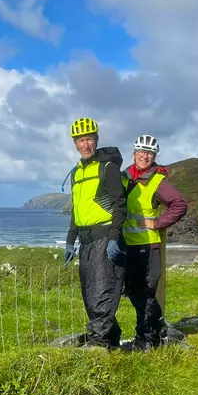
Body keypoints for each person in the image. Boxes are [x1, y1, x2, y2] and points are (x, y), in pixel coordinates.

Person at [63, 117, 127, 349]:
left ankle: (99, 346)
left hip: (104, 237)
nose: (85, 144)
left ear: (96, 140)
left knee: (103, 292)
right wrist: (70, 241)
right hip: (85, 240)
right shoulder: (76, 173)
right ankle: (112, 339)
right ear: (75, 143)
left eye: (89, 139)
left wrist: (114, 238)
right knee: (90, 295)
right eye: (81, 140)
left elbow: (120, 206)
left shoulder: (107, 168)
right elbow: (76, 209)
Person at [121, 134, 187, 351]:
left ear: (154, 156)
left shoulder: (157, 181)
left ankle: (146, 341)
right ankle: (155, 330)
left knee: (145, 294)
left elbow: (179, 205)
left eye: (149, 153)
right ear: (134, 153)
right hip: (125, 247)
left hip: (147, 247)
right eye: (141, 151)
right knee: (133, 292)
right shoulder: (123, 178)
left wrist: (157, 222)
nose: (145, 156)